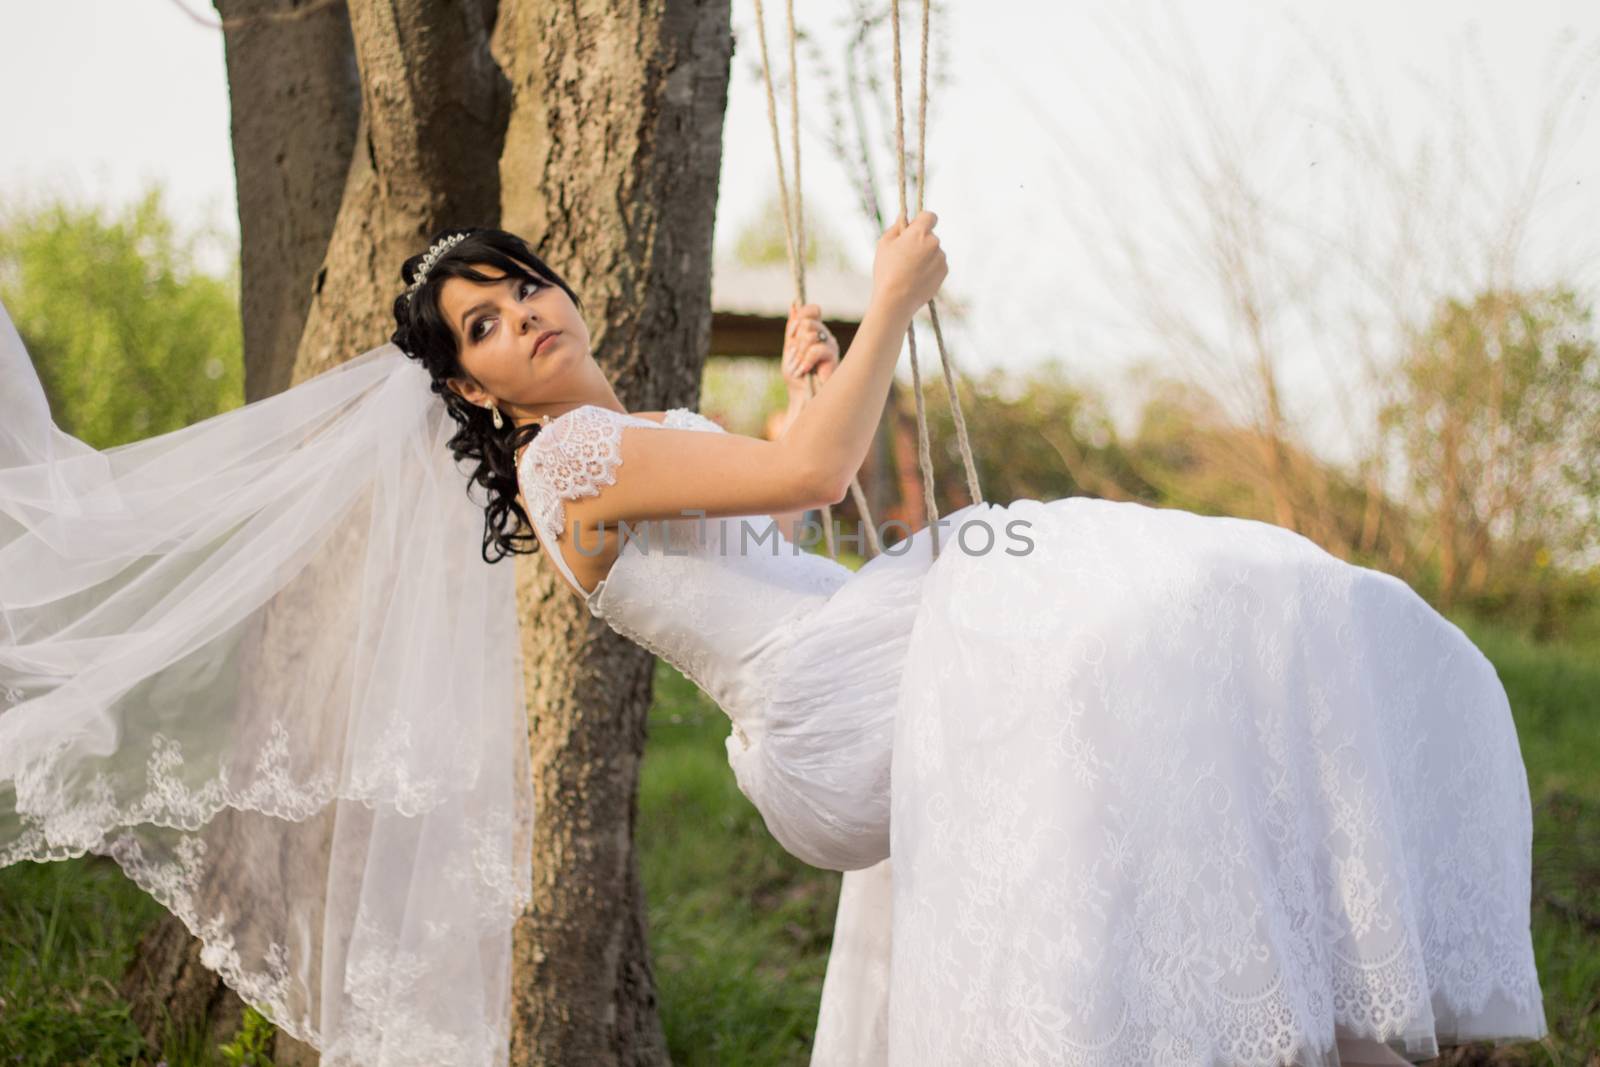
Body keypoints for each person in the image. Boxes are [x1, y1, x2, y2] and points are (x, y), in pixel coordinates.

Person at [0, 213, 1546, 1067]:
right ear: (473, 392)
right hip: (825, 698)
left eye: (518, 286)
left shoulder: (636, 432)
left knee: (1175, 644)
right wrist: (888, 303)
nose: (520, 317)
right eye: (480, 327)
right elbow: (818, 481)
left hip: (840, 669)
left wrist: (811, 378)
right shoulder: (567, 464)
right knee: (1143, 596)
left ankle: (1288, 987)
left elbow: (788, 506)